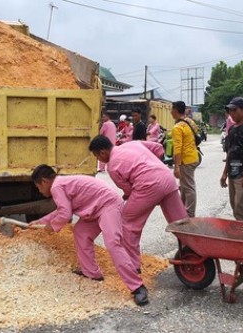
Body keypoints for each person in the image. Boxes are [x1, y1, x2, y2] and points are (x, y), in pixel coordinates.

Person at [29, 165, 149, 306]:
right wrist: (41, 221)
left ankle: (137, 287)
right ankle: (92, 273)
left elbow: (65, 214)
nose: (40, 191)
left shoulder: (56, 187)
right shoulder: (60, 184)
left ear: (44, 181)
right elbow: (61, 210)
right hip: (96, 208)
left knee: (113, 243)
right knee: (81, 232)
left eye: (38, 187)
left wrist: (52, 226)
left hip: (108, 205)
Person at [89, 135, 189, 275]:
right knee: (180, 222)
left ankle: (132, 265)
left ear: (102, 152)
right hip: (167, 177)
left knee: (127, 222)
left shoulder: (112, 166)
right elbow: (159, 148)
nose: (99, 160)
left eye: (96, 156)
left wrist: (144, 187)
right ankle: (194, 249)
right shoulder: (131, 144)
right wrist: (153, 168)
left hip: (149, 186)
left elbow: (129, 190)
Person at [171, 101, 199, 217]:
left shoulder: (178, 127)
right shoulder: (190, 121)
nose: (170, 112)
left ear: (176, 110)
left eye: (171, 109)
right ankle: (183, 209)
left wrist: (176, 166)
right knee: (184, 186)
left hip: (186, 160)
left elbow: (178, 148)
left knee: (188, 187)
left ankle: (190, 213)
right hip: (193, 156)